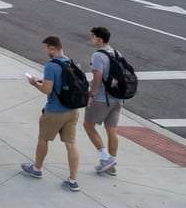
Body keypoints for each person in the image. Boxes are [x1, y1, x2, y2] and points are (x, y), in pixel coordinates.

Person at [21, 35, 82, 192]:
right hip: (72, 111)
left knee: (43, 139)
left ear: (52, 48)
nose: (46, 51)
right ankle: (73, 180)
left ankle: (37, 168)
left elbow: (47, 90)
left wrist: (35, 83)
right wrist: (45, 81)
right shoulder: (70, 62)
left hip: (55, 111)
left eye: (47, 48)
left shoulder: (51, 66)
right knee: (71, 145)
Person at [84, 26, 122, 176]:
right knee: (112, 130)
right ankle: (111, 163)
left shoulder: (98, 56)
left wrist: (91, 95)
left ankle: (105, 158)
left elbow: (98, 78)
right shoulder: (116, 53)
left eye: (92, 37)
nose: (91, 39)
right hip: (117, 99)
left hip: (101, 98)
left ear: (99, 39)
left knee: (88, 125)